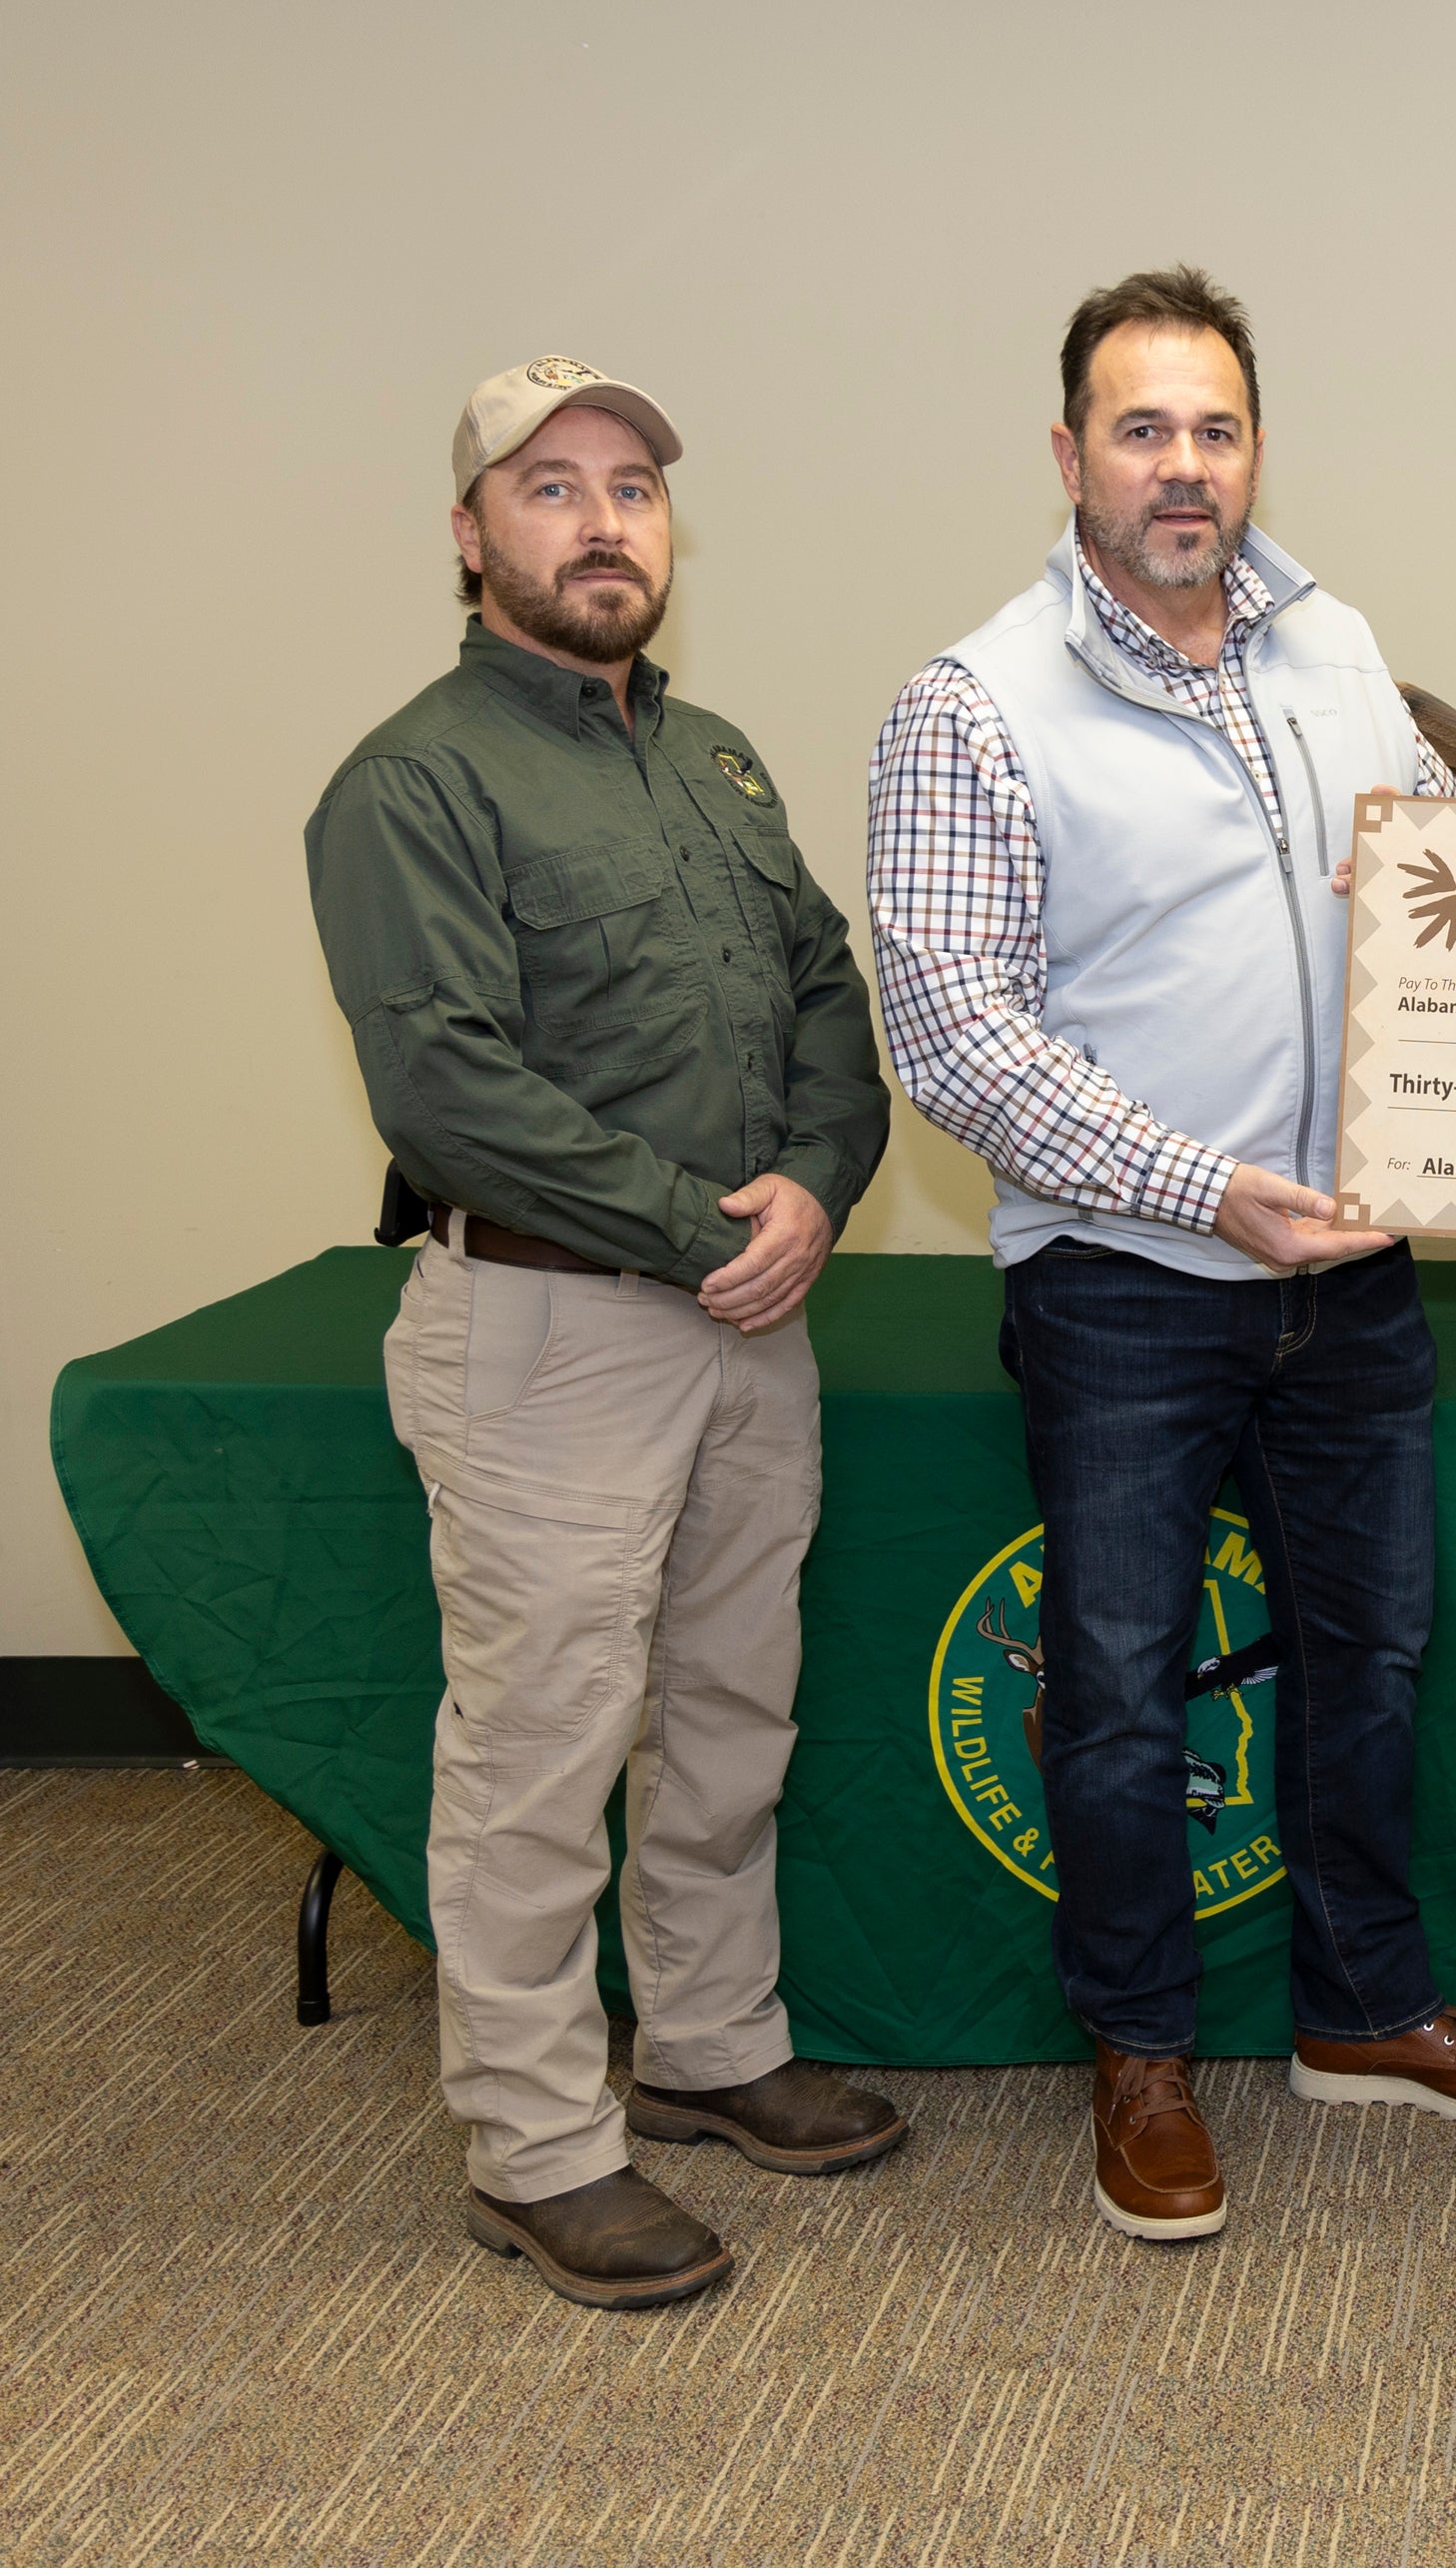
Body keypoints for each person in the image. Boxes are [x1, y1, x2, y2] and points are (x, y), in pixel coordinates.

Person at [868, 266, 1456, 2245]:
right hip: (1126, 1288)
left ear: (1255, 444)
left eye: (1216, 428)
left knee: (1372, 1654)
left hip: (1352, 1277)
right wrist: (1205, 1187)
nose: (1184, 468)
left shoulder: (1331, 639)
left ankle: (1362, 2003)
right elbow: (954, 1037)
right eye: (1141, 428)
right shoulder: (975, 703)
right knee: (1111, 1690)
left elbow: (1450, 865)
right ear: (1070, 451)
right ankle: (1143, 2048)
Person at [305, 356, 903, 2313]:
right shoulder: (414, 778)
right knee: (544, 1750)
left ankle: (714, 2045)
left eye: (634, 484)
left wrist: (814, 1180)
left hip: (748, 1312)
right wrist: (695, 1230)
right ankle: (542, 2143)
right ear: (472, 535)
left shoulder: (717, 756)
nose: (603, 518)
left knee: (731, 1714)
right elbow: (443, 1085)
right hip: (555, 1328)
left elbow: (826, 983)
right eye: (550, 486)